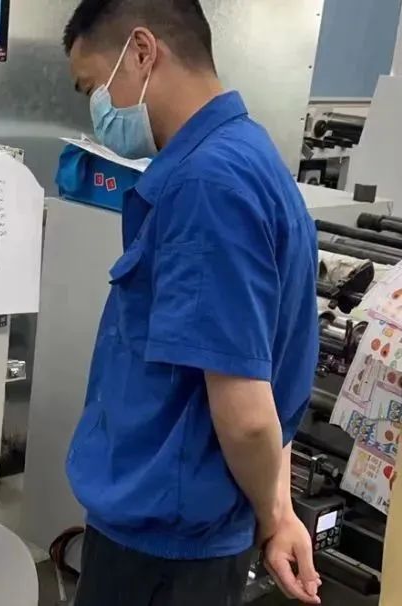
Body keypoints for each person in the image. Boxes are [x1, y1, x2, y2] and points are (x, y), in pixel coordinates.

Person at [61, 1, 322, 604]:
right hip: (188, 537)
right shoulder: (249, 155)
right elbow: (273, 372)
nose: (97, 107)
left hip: (162, 554)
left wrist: (274, 516)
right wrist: (278, 506)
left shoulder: (207, 185)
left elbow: (248, 413)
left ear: (142, 52)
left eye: (93, 86)